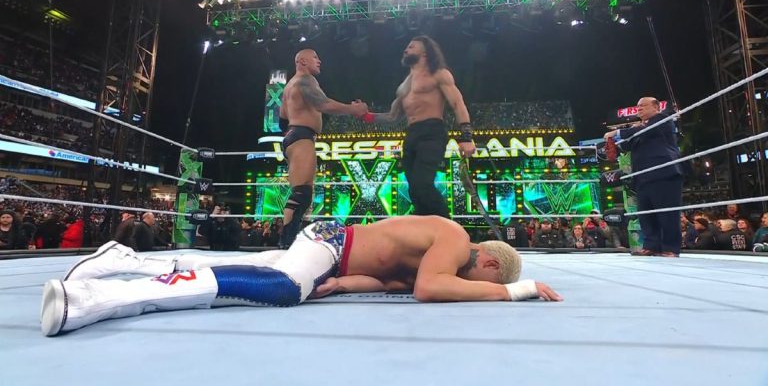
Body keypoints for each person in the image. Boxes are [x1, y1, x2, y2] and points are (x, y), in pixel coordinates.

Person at [42, 215, 562, 336]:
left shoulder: (435, 261)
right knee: (283, 288)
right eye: (486, 281)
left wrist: (336, 285)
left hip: (332, 259)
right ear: (489, 263)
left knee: (253, 270)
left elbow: (384, 284)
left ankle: (120, 262)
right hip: (331, 240)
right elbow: (429, 290)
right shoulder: (452, 238)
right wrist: (513, 292)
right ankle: (95, 296)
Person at [360, 36, 475, 218]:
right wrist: (366, 115)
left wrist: (466, 137)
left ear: (424, 52)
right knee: (414, 189)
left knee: (423, 184)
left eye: (411, 46)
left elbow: (458, 103)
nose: (406, 50)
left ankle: (450, 230)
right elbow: (392, 116)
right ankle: (426, 233)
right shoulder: (404, 86)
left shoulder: (439, 74)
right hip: (411, 134)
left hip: (432, 132)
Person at [278, 49, 368, 248]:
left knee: (305, 195)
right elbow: (324, 104)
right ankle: (286, 244)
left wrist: (293, 132)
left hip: (295, 136)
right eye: (315, 57)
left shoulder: (290, 86)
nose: (320, 61)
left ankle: (293, 242)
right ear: (302, 61)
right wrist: (352, 110)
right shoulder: (305, 80)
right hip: (301, 136)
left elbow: (282, 120)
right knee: (301, 194)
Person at [604, 97, 683, 257]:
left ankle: (670, 248)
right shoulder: (639, 127)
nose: (639, 109)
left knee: (667, 213)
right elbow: (626, 145)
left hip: (663, 174)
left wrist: (616, 132)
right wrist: (614, 142)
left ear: (656, 107)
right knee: (646, 213)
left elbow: (644, 130)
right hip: (643, 176)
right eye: (638, 106)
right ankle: (651, 246)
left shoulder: (662, 119)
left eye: (643, 106)